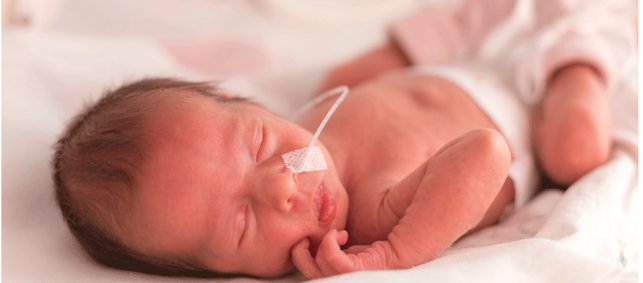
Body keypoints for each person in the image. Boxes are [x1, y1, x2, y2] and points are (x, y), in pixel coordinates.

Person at [52, 0, 633, 279]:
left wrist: (404, 54)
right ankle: (573, 55)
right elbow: (485, 153)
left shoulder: (316, 108)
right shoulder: (374, 220)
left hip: (463, 65)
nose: (283, 183)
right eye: (242, 224)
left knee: (352, 72)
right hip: (530, 117)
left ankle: (509, 15)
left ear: (241, 102)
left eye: (256, 144)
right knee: (575, 152)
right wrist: (394, 254)